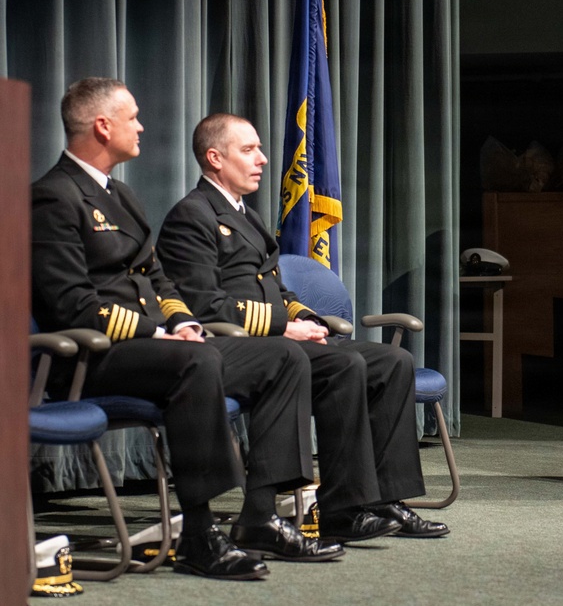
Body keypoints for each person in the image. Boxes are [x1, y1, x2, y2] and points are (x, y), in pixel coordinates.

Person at [31, 78, 344, 580]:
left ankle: (260, 515)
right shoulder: (52, 197)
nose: (141, 127)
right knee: (192, 360)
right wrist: (159, 334)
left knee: (281, 357)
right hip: (89, 356)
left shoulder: (123, 196)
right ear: (102, 126)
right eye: (132, 117)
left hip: (156, 347)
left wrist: (185, 322)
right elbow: (72, 307)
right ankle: (199, 532)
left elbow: (158, 278)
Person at [155, 113, 449, 541]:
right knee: (345, 367)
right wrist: (282, 328)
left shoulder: (250, 219)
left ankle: (387, 499)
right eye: (248, 149)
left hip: (278, 339)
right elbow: (203, 304)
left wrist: (305, 318)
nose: (262, 159)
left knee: (392, 361)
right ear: (215, 158)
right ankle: (342, 509)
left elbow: (277, 290)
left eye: (259, 148)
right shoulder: (192, 216)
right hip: (233, 348)